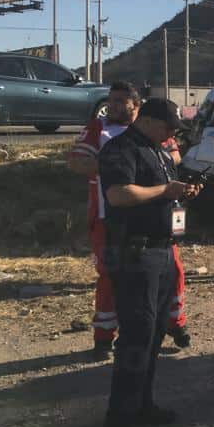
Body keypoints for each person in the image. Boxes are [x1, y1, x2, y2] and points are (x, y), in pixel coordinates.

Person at [98, 99, 201, 427]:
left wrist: (182, 191)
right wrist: (165, 190)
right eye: (168, 127)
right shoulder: (121, 149)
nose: (172, 135)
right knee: (136, 338)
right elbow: (119, 194)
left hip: (161, 251)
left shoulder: (156, 151)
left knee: (155, 334)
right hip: (134, 254)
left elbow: (162, 193)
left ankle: (143, 405)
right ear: (149, 120)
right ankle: (119, 421)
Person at [68, 81, 190, 360]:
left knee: (173, 273)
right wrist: (122, 165)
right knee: (111, 277)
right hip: (109, 219)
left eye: (121, 101)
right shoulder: (101, 130)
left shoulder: (157, 130)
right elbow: (76, 162)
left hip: (158, 220)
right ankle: (104, 337)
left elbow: (174, 157)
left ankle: (174, 324)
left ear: (137, 106)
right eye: (111, 100)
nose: (113, 105)